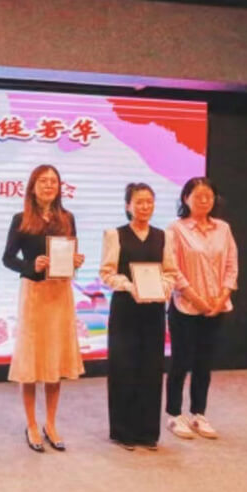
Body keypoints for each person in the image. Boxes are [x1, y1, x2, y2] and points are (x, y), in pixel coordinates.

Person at [2, 164, 85, 453]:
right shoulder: (21, 219)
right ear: (33, 186)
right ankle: (31, 423)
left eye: (53, 181)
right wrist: (31, 265)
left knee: (55, 359)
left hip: (60, 293)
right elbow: (8, 258)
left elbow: (71, 253)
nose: (49, 185)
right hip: (35, 293)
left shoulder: (67, 218)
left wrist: (75, 261)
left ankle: (51, 422)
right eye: (43, 181)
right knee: (32, 360)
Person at [100, 183, 177, 451]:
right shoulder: (115, 235)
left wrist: (163, 286)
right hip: (125, 308)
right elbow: (107, 272)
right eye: (139, 202)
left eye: (149, 202)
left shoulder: (164, 236)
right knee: (124, 368)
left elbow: (171, 272)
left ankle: (147, 433)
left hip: (153, 310)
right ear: (128, 206)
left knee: (151, 368)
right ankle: (123, 432)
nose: (145, 207)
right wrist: (129, 286)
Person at [165, 177, 238, 440]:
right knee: (180, 361)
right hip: (185, 306)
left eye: (209, 196)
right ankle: (174, 414)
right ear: (186, 199)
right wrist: (196, 299)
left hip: (216, 307)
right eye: (198, 196)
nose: (204, 200)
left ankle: (199, 413)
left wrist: (222, 297)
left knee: (204, 363)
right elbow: (172, 269)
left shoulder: (223, 228)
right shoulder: (176, 229)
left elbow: (231, 265)